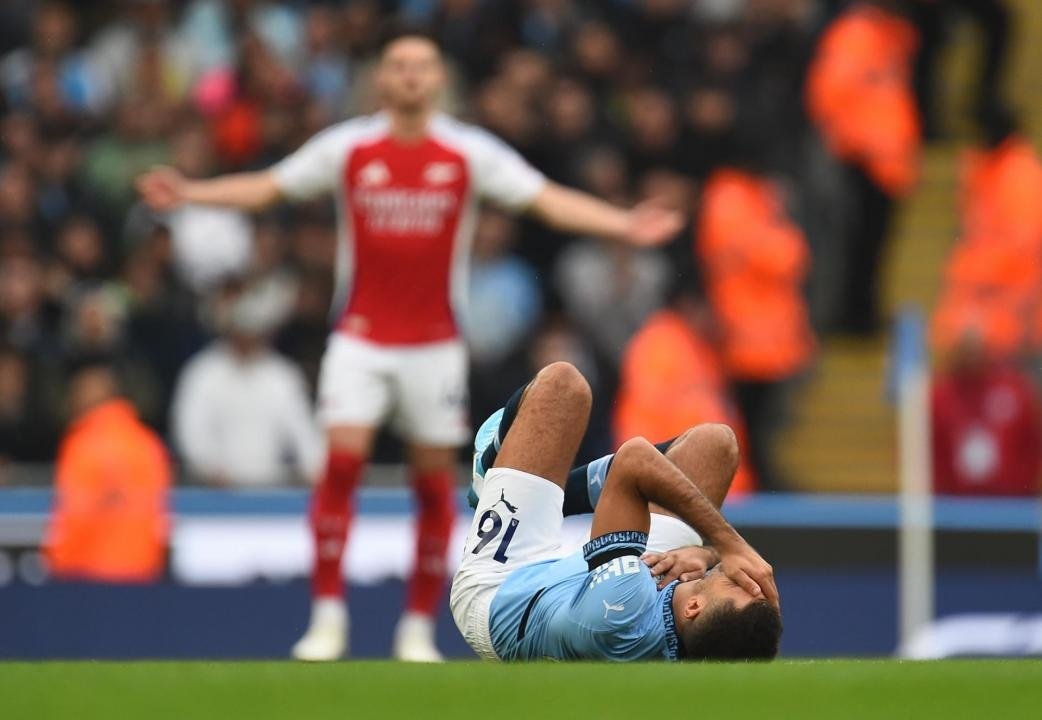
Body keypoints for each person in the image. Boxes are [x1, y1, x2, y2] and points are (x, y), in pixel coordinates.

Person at [136, 31, 682, 662]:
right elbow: (271, 186)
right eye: (399, 66)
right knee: (340, 469)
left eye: (422, 66)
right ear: (382, 80)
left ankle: (417, 628)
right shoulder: (349, 146)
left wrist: (623, 224)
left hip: (433, 344)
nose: (411, 76)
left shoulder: (466, 151)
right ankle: (327, 617)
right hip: (360, 338)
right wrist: (191, 193)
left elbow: (544, 199)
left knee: (430, 482)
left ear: (438, 78)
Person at [452, 362, 781, 662]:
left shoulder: (624, 607)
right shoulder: (690, 621)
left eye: (736, 587)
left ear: (695, 607)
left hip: (506, 593)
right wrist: (706, 554)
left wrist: (730, 546)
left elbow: (633, 459)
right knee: (715, 446)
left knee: (564, 386)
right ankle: (545, 494)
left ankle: (496, 474)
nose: (745, 580)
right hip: (599, 586)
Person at [171, 279, 322, 488]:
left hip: (271, 492)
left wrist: (315, 468)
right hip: (215, 494)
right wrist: (209, 466)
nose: (248, 337)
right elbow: (191, 431)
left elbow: (304, 433)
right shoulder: (204, 373)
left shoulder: (282, 375)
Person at [44, 356, 171, 583]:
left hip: (86, 575)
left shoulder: (82, 444)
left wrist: (57, 565)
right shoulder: (148, 443)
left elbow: (74, 516)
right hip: (142, 574)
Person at [931, 330, 1041, 497]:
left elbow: (1032, 443)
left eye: (976, 352)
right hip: (953, 505)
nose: (972, 358)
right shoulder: (939, 397)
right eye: (967, 352)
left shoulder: (1013, 390)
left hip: (1012, 503)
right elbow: (931, 451)